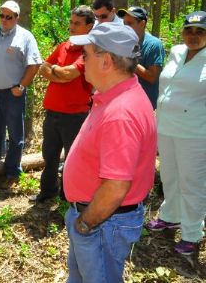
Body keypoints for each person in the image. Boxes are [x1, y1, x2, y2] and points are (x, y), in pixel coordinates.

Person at [63, 23, 156, 282]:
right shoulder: (114, 95)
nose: (82, 60)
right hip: (98, 221)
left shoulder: (121, 113)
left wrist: (84, 225)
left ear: (105, 62)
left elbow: (115, 187)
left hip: (102, 224)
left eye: (86, 54)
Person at [145, 11, 206, 256]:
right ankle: (171, 216)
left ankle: (192, 234)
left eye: (200, 31)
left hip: (195, 133)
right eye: (189, 30)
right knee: (170, 175)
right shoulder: (177, 51)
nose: (193, 36)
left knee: (192, 183)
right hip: (167, 127)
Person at [31, 6, 94, 204]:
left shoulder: (91, 50)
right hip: (53, 113)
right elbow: (42, 68)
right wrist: (59, 74)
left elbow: (69, 74)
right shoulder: (64, 46)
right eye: (71, 22)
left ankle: (68, 198)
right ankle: (48, 190)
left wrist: (56, 71)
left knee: (73, 160)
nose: (72, 27)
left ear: (90, 26)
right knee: (49, 155)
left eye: (77, 23)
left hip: (75, 115)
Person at [0, 0, 42, 188]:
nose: (4, 20)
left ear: (16, 18)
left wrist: (21, 87)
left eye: (9, 17)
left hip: (13, 93)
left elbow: (34, 64)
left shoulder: (25, 37)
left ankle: (13, 170)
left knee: (15, 133)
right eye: (2, 16)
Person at [117, 6, 165, 109]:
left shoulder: (154, 45)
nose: (125, 27)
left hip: (145, 104)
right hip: (125, 102)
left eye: (129, 24)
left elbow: (152, 77)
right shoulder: (124, 42)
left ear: (142, 24)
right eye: (124, 24)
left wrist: (129, 60)